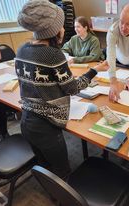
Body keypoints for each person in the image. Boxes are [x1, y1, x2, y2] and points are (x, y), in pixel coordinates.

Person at [16, 0, 108, 178]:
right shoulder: (53, 54)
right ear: (54, 30)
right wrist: (94, 71)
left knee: (43, 165)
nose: (65, 29)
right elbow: (72, 88)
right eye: (62, 25)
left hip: (26, 121)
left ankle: (51, 194)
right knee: (63, 172)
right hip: (46, 127)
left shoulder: (21, 49)